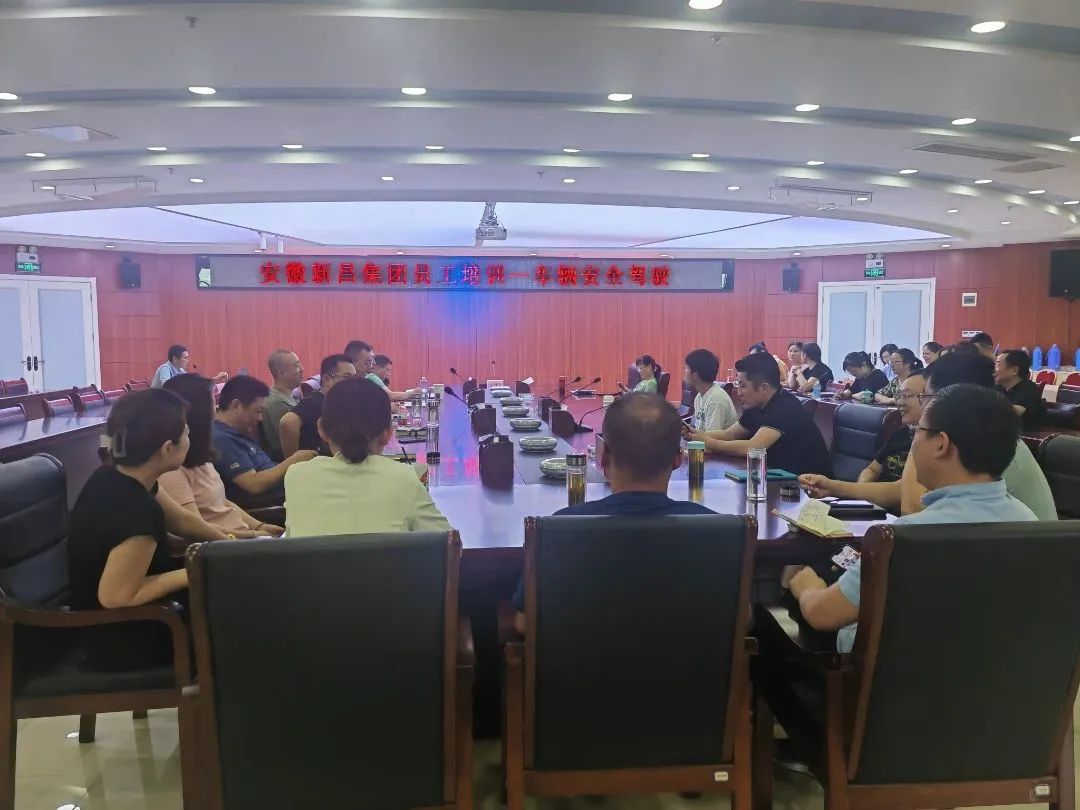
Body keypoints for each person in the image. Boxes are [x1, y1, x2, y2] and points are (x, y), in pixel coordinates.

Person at [789, 384, 1037, 653]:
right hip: (991, 670)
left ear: (941, 444)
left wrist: (805, 586)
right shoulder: (1030, 523)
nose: (912, 441)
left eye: (917, 430)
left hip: (885, 671)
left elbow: (822, 614)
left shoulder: (907, 536)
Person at [512, 393, 714, 632]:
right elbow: (743, 617)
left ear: (604, 456)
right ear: (678, 459)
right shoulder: (713, 529)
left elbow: (525, 624)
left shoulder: (559, 529)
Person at [67, 389, 230, 670]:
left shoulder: (117, 476)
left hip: (134, 621)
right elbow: (116, 596)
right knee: (240, 628)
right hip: (121, 640)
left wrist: (229, 545)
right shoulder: (136, 511)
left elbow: (182, 521)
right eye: (187, 434)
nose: (190, 440)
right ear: (167, 448)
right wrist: (196, 569)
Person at [800, 351, 1057, 520]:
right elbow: (902, 491)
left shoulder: (983, 445)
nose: (923, 404)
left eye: (926, 396)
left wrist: (921, 437)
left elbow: (913, 512)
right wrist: (836, 487)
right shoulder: (969, 435)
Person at [284, 377, 451, 537]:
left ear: (321, 430)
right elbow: (448, 542)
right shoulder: (402, 477)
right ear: (388, 434)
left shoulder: (296, 476)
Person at [159, 374, 285, 538]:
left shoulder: (200, 456)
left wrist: (261, 526)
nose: (216, 408)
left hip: (242, 537)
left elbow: (222, 503)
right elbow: (194, 527)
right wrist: (253, 535)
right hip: (225, 545)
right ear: (199, 412)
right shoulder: (172, 468)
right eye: (213, 402)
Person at [689, 352, 833, 476]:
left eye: (743, 386)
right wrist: (694, 435)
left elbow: (754, 447)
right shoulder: (756, 406)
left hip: (809, 489)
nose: (739, 392)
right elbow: (729, 434)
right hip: (777, 478)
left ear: (763, 388)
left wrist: (708, 443)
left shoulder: (785, 407)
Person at [212, 375, 317, 503]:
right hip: (273, 506)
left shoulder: (239, 433)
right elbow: (253, 484)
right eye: (258, 411)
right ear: (236, 406)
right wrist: (294, 460)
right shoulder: (222, 439)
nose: (260, 418)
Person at [279, 354, 358, 458]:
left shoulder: (337, 403)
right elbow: (287, 422)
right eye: (347, 377)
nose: (353, 383)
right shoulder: (317, 402)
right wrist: (292, 460)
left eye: (355, 378)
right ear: (326, 380)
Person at [857, 371, 925, 483]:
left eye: (907, 396)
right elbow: (872, 470)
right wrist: (861, 487)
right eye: (899, 396)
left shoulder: (934, 444)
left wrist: (836, 486)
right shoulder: (901, 433)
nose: (900, 402)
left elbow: (901, 489)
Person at [683, 348, 737, 432]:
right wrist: (691, 432)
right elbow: (701, 431)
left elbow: (713, 437)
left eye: (686, 368)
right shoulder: (699, 396)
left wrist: (693, 435)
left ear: (695, 375)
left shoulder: (716, 399)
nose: (684, 372)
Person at [263, 349, 303, 460]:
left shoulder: (288, 396)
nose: (302, 369)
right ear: (281, 373)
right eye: (297, 365)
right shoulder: (277, 403)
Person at [995, 349, 1045, 430]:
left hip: (1026, 436)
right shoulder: (999, 388)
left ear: (1014, 370)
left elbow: (1011, 413)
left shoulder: (1029, 389)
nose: (994, 369)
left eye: (998, 364)